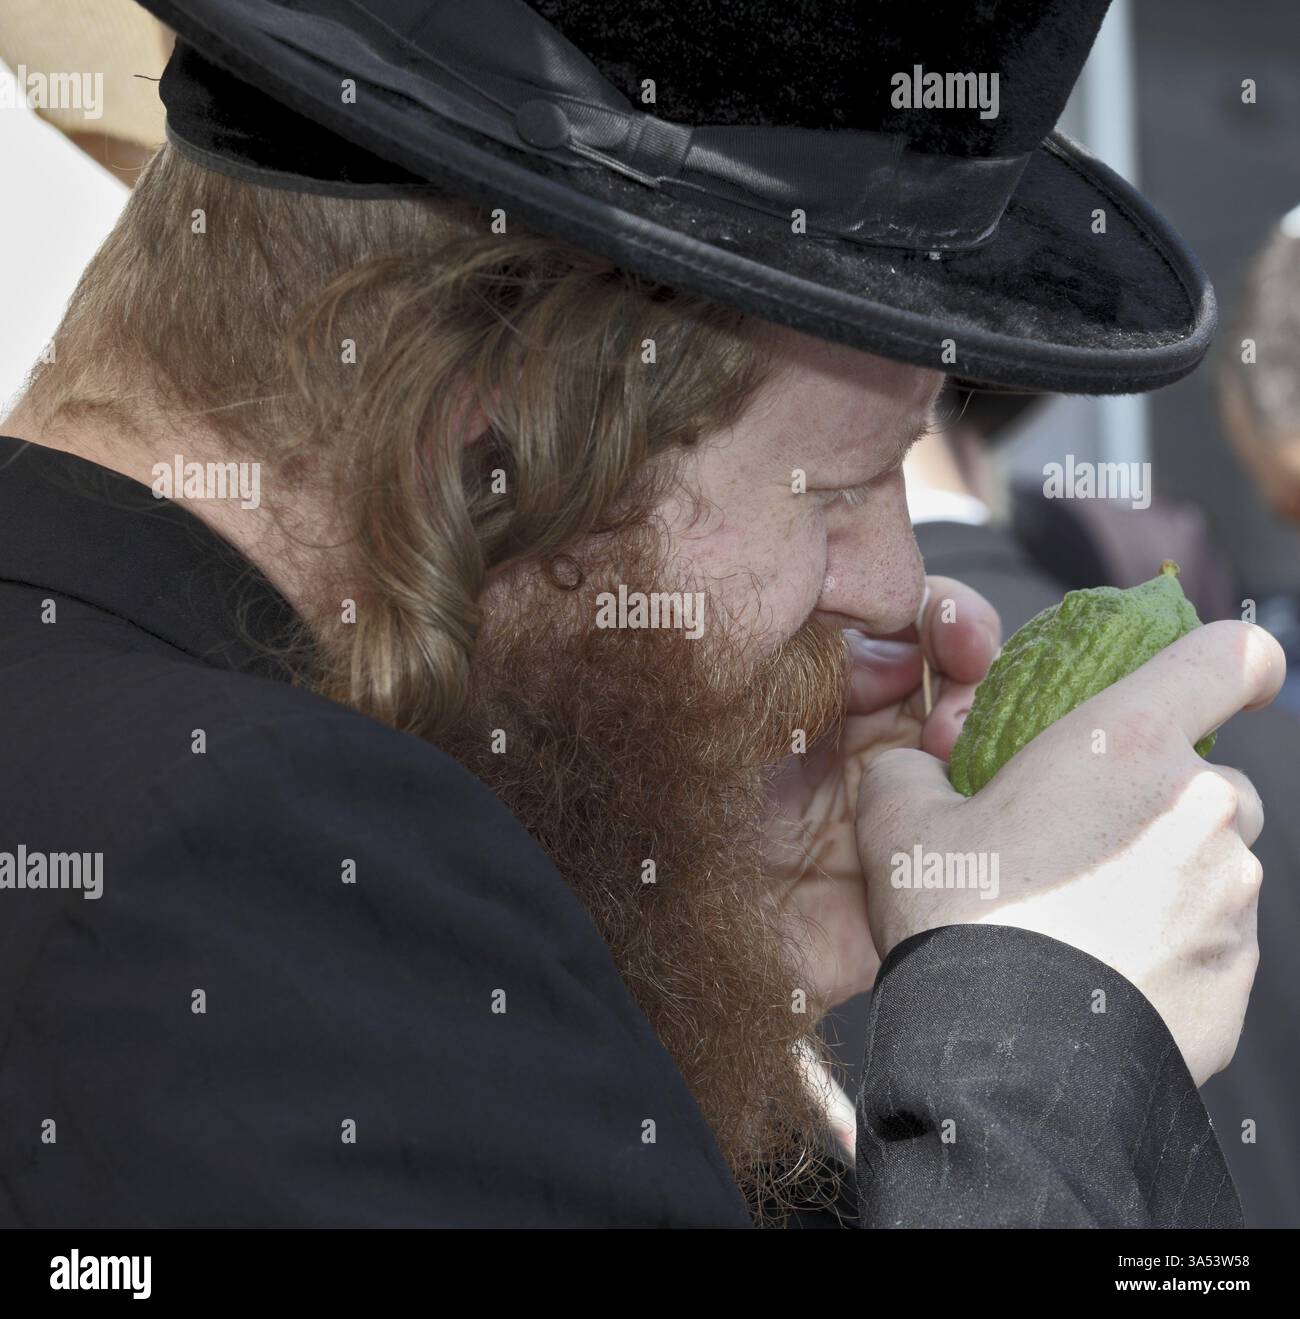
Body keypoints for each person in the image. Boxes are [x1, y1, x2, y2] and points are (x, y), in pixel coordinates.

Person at [0, 0, 1282, 1228]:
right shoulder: (230, 853)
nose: (893, 582)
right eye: (834, 487)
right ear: (494, 434)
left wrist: (699, 958)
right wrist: (1048, 1044)